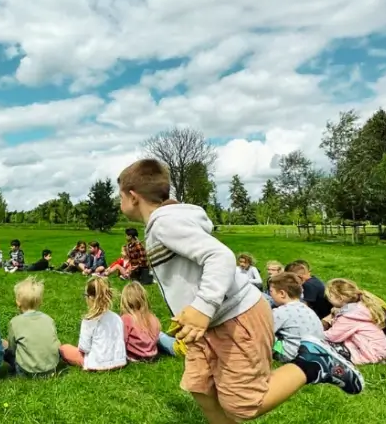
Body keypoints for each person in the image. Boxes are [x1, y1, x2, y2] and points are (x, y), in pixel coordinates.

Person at [117, 158, 363, 423]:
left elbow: (220, 257)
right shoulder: (169, 219)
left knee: (244, 405)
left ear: (133, 197)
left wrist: (201, 307)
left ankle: (314, 363)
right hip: (208, 325)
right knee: (201, 387)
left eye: (119, 196)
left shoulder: (164, 223)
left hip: (234, 317)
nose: (119, 202)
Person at [59, 277, 126, 371]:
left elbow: (84, 348)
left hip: (97, 363)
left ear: (90, 297)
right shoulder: (117, 317)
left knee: (64, 348)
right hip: (118, 361)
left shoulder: (89, 320)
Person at [323, 279, 386, 365]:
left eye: (329, 296)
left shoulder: (349, 315)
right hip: (381, 349)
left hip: (371, 352)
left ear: (339, 298)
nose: (327, 299)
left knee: (323, 345)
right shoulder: (359, 309)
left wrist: (313, 334)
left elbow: (332, 336)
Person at [3, 277, 60, 376]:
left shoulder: (15, 322)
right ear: (40, 302)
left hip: (26, 371)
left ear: (18, 302)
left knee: (2, 344)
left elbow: (12, 348)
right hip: (51, 369)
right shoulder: (48, 319)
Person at [267, 273, 325, 363]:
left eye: (271, 292)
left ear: (282, 293)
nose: (271, 296)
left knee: (264, 333)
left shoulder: (280, 311)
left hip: (292, 356)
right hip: (315, 354)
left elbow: (264, 331)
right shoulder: (308, 309)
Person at [120, 282, 161, 361]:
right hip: (152, 355)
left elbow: (122, 341)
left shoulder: (126, 319)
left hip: (135, 356)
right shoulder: (152, 317)